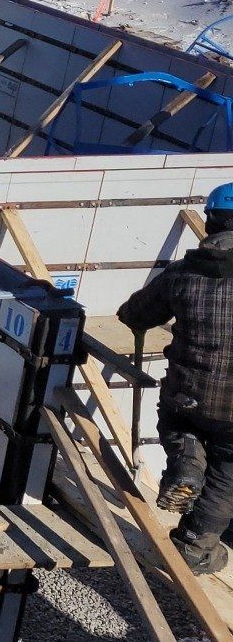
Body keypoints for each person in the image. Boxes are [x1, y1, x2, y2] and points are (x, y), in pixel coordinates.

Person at [119, 181, 233, 573]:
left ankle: (186, 467)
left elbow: (134, 314)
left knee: (180, 426)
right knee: (228, 473)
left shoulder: (182, 274)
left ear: (210, 222)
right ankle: (195, 547)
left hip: (189, 394)